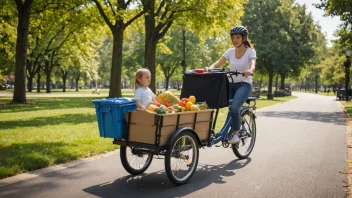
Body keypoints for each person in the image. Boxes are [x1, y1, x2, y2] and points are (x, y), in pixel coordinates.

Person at [205, 26, 257, 144]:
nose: (235, 40)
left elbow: (252, 64)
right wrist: (210, 68)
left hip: (245, 85)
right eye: (233, 38)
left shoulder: (250, 51)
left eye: (238, 37)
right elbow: (217, 63)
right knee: (221, 105)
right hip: (231, 84)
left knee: (234, 108)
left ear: (244, 38)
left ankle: (236, 134)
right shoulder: (230, 52)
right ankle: (224, 133)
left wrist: (250, 71)